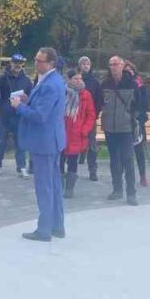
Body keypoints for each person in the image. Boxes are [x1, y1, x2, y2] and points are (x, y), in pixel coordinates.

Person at [12, 48, 66, 242]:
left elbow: (40, 116)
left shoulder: (50, 84)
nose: (35, 63)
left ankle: (44, 230)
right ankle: (57, 226)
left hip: (44, 143)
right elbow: (44, 107)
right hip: (53, 140)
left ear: (51, 63)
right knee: (54, 185)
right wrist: (28, 100)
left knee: (44, 187)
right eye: (35, 59)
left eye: (39, 61)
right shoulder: (54, 80)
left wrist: (19, 106)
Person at [101, 55, 141, 206]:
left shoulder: (131, 83)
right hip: (109, 128)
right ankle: (117, 189)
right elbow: (100, 102)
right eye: (111, 64)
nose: (113, 67)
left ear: (122, 65)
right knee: (114, 160)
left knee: (127, 159)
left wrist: (133, 117)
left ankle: (131, 193)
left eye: (116, 64)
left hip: (126, 128)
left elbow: (140, 104)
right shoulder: (105, 83)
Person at [0, 54, 33, 177]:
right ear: (11, 63)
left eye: (20, 63)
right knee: (1, 141)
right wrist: (1, 105)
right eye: (15, 62)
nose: (17, 65)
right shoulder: (2, 78)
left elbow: (31, 97)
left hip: (19, 115)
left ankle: (21, 167)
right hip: (5, 114)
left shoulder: (26, 80)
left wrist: (26, 99)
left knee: (20, 142)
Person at [61, 68, 96, 200]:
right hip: (62, 133)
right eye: (75, 78)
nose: (79, 81)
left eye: (80, 78)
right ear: (69, 80)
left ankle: (69, 188)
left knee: (73, 161)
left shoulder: (86, 95)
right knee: (59, 161)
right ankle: (59, 185)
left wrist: (85, 130)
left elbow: (91, 115)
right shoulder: (62, 92)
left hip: (77, 134)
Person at [124, 60, 150, 187]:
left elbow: (145, 103)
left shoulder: (140, 85)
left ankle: (142, 176)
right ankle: (125, 175)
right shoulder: (121, 85)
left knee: (139, 150)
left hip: (137, 122)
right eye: (126, 70)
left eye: (131, 70)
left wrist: (139, 116)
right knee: (124, 151)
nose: (129, 72)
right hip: (124, 121)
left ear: (134, 71)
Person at [78, 56, 103, 181]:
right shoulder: (76, 80)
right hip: (76, 118)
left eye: (87, 64)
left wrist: (94, 114)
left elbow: (99, 100)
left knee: (92, 145)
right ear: (80, 66)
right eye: (83, 64)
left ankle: (93, 170)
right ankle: (70, 170)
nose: (86, 66)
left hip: (90, 118)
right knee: (73, 143)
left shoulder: (95, 82)